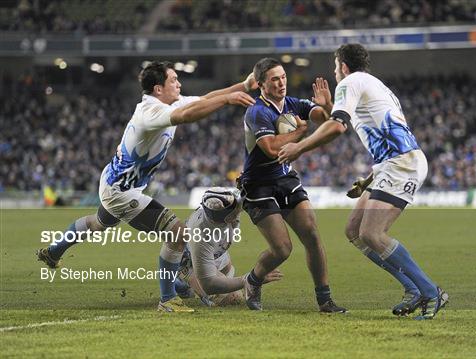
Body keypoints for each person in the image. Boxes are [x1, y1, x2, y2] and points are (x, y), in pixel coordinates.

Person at [37, 61, 256, 313]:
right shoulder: (150, 112)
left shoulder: (167, 102)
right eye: (174, 80)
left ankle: (53, 252)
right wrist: (228, 100)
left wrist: (245, 85)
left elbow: (205, 98)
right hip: (122, 192)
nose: (179, 83)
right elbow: (186, 115)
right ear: (158, 88)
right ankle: (168, 298)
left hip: (113, 182)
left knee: (98, 224)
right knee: (178, 233)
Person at [278, 44, 449, 320]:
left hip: (401, 164)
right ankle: (412, 289)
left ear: (343, 67)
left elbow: (337, 127)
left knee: (372, 234)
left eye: (335, 67)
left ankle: (431, 292)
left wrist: (299, 147)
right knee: (354, 231)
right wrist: (369, 178)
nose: (335, 73)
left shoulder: (350, 82)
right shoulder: (371, 85)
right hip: (391, 165)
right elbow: (361, 125)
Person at [238, 57, 347, 313]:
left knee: (311, 234)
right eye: (274, 79)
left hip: (285, 179)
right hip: (258, 185)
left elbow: (328, 120)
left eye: (283, 77)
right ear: (261, 85)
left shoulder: (293, 104)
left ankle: (325, 300)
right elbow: (272, 148)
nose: (281, 83)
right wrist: (300, 133)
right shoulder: (256, 111)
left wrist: (328, 104)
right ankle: (253, 280)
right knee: (282, 249)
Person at [174, 187, 283, 307]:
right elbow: (210, 284)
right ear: (226, 218)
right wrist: (251, 279)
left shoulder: (229, 204)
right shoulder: (201, 234)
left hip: (217, 251)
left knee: (228, 275)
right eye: (235, 211)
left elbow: (250, 196)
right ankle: (181, 280)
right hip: (189, 261)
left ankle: (188, 286)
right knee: (233, 299)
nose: (238, 210)